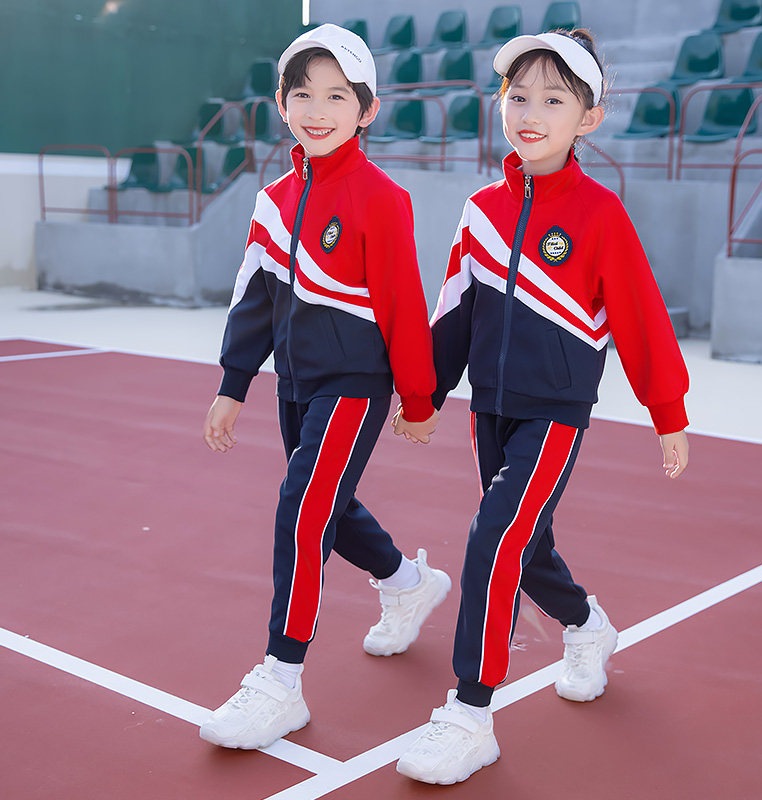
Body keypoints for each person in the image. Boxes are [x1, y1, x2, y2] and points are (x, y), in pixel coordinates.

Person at [393, 29, 690, 784]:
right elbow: (452, 313)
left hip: (555, 411)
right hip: (487, 409)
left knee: (493, 539)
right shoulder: (480, 211)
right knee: (525, 548)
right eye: (518, 96)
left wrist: (668, 413)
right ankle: (587, 625)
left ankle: (469, 716)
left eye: (553, 100)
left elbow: (641, 318)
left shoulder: (601, 214)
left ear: (588, 118)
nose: (530, 114)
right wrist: (425, 395)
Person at [198, 23, 448, 751]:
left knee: (302, 508)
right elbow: (253, 298)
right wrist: (233, 384)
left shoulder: (382, 198)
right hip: (294, 382)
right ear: (281, 103)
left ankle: (281, 680)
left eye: (337, 96)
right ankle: (407, 583)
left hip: (356, 383)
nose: (317, 109)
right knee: (325, 503)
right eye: (302, 93)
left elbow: (403, 302)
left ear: (366, 110)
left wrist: (419, 397)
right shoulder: (273, 199)